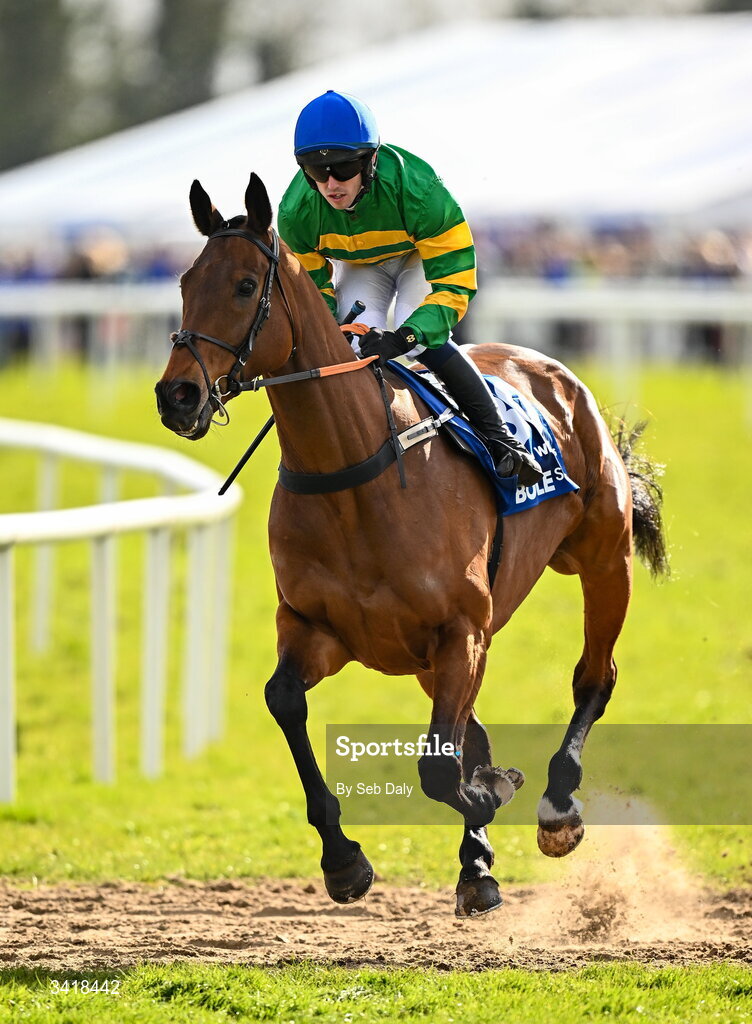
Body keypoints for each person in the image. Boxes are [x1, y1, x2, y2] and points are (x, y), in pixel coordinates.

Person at [277, 90, 542, 485]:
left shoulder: (420, 191)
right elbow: (317, 294)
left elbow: (454, 281)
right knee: (350, 346)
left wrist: (406, 336)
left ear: (371, 159)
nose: (330, 183)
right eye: (316, 171)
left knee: (418, 338)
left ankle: (500, 438)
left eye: (344, 168)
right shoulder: (296, 213)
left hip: (419, 257)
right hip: (360, 266)